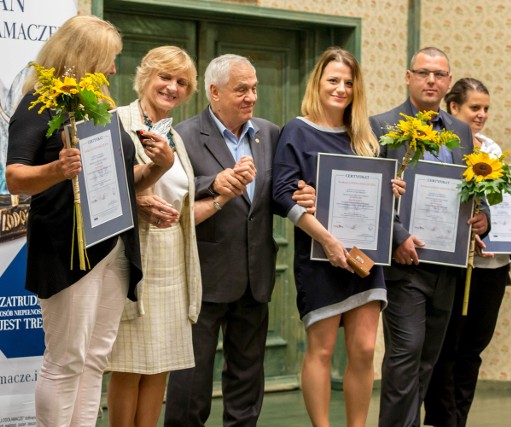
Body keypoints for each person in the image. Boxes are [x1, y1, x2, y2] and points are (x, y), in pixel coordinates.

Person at [5, 15, 173, 426]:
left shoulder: (103, 108)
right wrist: (57, 170)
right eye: (110, 58)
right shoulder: (39, 102)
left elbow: (122, 184)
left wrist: (159, 167)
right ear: (86, 56)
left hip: (114, 243)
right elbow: (15, 175)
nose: (115, 69)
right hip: (66, 245)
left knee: (96, 357)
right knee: (66, 359)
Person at [163, 53, 315, 427]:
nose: (251, 97)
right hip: (203, 277)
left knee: (247, 381)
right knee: (191, 383)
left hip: (255, 275)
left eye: (254, 89)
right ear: (214, 92)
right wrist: (213, 184)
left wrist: (303, 195)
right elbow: (171, 194)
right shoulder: (183, 135)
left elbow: (278, 193)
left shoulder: (269, 132)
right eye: (241, 89)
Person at [272, 47, 403, 427]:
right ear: (318, 82)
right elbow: (281, 194)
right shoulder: (296, 130)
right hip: (319, 257)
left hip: (364, 258)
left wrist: (388, 192)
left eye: (348, 82)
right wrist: (327, 240)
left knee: (363, 350)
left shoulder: (365, 135)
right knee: (323, 350)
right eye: (333, 80)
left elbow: (373, 204)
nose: (341, 88)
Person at [369, 47, 490, 427]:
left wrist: (481, 217)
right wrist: (398, 236)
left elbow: (475, 188)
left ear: (448, 83)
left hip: (449, 267)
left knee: (427, 362)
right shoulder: (382, 126)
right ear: (408, 77)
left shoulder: (460, 132)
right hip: (406, 264)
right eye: (424, 73)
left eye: (439, 75)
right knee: (405, 357)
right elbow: (372, 194)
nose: (432, 81)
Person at [106, 46, 202, 427]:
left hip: (172, 258)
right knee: (129, 363)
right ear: (145, 76)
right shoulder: (117, 120)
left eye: (181, 82)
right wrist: (139, 200)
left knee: (160, 362)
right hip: (132, 254)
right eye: (165, 77)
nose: (172, 87)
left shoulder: (173, 135)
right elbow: (102, 186)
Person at [423, 78, 510, 427]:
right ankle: (443, 419)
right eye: (475, 108)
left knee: (473, 349)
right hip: (452, 264)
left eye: (486, 108)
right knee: (446, 349)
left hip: (492, 265)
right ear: (453, 108)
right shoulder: (440, 146)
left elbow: (504, 205)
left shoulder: (493, 150)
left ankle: (460, 418)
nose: (482, 115)